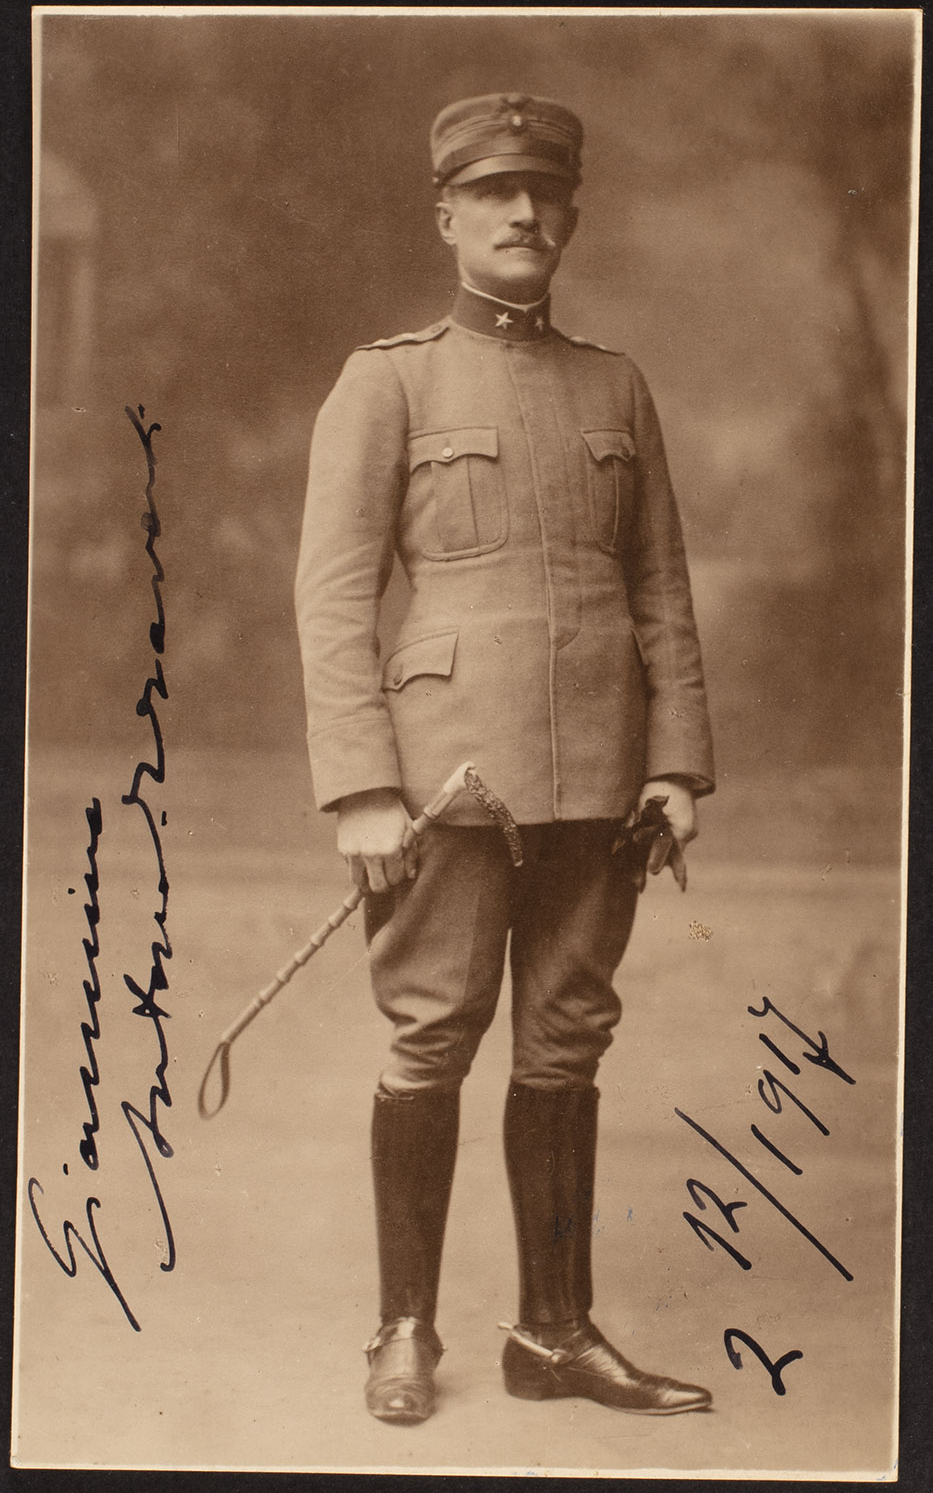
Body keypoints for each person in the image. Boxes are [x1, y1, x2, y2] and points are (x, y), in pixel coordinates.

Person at [294, 92, 715, 1425]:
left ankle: (553, 1333)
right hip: (445, 783)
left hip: (601, 774)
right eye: (494, 193)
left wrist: (675, 764)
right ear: (447, 217)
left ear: (570, 215)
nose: (523, 214)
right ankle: (402, 1326)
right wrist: (362, 786)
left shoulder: (616, 385)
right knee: (431, 1035)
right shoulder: (387, 381)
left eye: (544, 193)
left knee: (565, 1040)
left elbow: (661, 590)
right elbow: (333, 595)